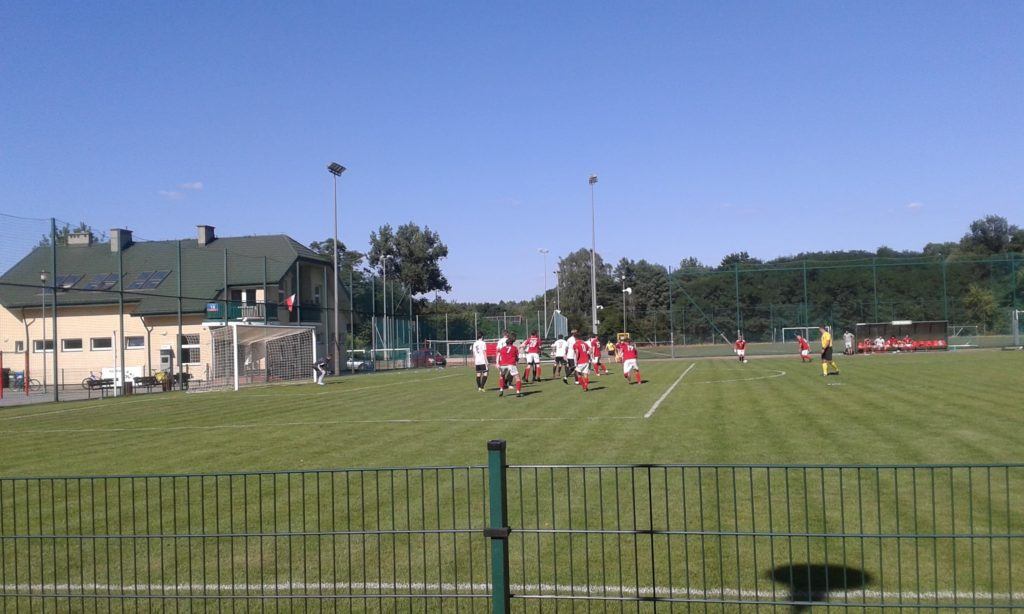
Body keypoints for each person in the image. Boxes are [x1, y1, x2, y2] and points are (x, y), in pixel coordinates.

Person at [497, 333, 522, 397]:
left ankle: (501, 389)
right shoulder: (514, 348)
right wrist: (516, 361)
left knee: (501, 376)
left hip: (503, 364)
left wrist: (498, 363)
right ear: (512, 342)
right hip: (511, 364)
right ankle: (518, 392)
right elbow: (517, 357)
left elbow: (499, 355)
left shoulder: (502, 349)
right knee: (517, 378)